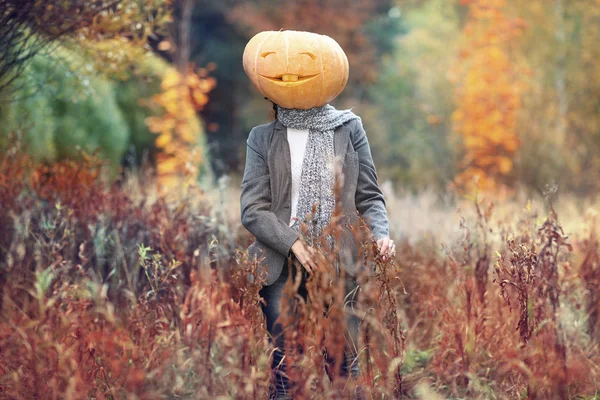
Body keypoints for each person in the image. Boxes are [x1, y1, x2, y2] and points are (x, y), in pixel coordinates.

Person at [240, 30, 395, 399]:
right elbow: (253, 209)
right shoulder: (261, 138)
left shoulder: (349, 128)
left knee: (344, 368)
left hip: (340, 264)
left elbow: (369, 195)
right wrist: (293, 242)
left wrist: (381, 232)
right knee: (285, 370)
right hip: (281, 267)